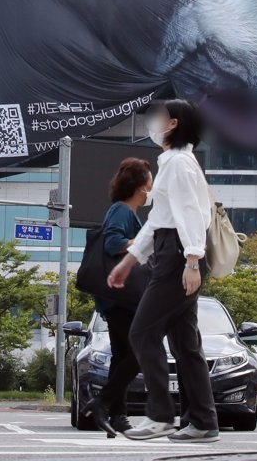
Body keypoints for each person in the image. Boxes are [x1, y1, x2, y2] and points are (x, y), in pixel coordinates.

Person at [107, 99, 219, 443]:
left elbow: (188, 214)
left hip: (177, 256)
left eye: (157, 117)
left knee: (142, 333)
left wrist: (191, 261)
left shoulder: (177, 163)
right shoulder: (175, 162)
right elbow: (158, 221)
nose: (151, 123)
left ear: (172, 124)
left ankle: (160, 417)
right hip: (173, 251)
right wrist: (129, 261)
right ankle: (202, 421)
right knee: (185, 343)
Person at [82, 157, 153, 437]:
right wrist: (144, 240)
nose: (152, 188)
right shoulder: (121, 211)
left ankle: (117, 415)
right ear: (139, 187)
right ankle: (103, 402)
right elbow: (113, 244)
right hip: (121, 298)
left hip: (119, 298)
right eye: (149, 183)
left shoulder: (126, 211)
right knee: (139, 352)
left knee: (123, 354)